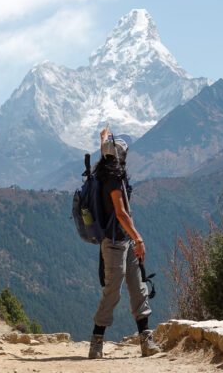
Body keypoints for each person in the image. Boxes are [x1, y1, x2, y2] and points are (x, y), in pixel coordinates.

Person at [88, 126, 161, 359]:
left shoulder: (105, 171)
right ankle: (96, 341)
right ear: (121, 156)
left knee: (138, 287)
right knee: (113, 292)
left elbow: (105, 150)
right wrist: (138, 238)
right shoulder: (114, 180)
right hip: (116, 243)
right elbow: (120, 213)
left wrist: (104, 137)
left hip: (122, 240)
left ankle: (145, 339)